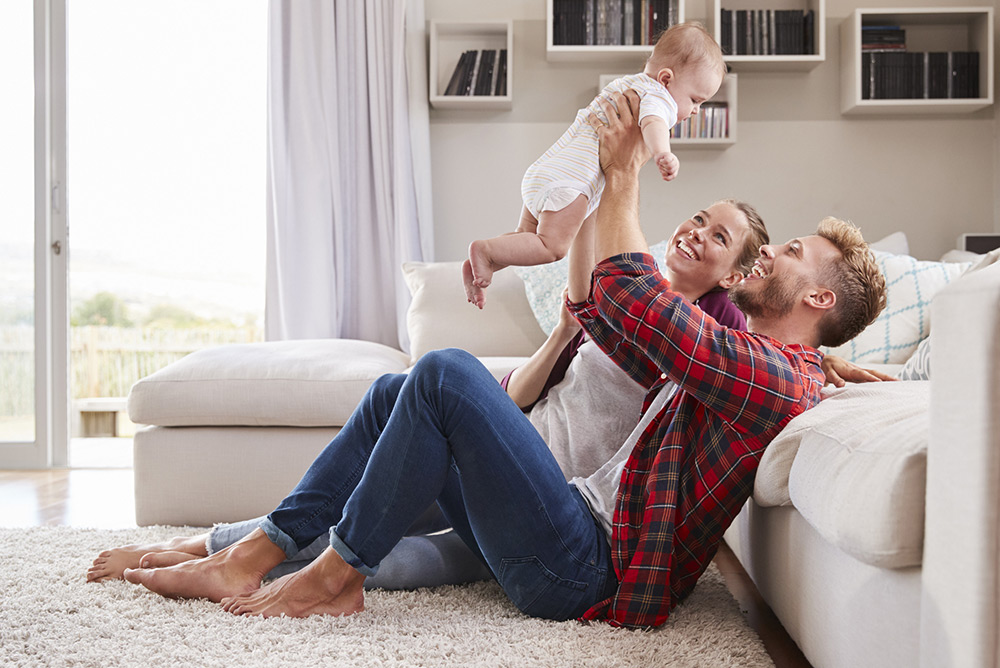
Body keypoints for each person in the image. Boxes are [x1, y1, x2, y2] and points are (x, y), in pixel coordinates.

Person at [108, 89, 887, 628]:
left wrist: (622, 173)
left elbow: (649, 315)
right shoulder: (767, 364)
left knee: (447, 371)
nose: (772, 257)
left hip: (585, 571)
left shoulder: (777, 376)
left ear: (818, 301)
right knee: (400, 387)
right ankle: (256, 550)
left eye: (790, 253)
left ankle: (331, 577)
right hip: (561, 519)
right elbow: (614, 313)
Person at [462, 22, 727, 309]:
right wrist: (663, 153)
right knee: (552, 247)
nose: (695, 110)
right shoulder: (657, 97)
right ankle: (486, 250)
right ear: (666, 79)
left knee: (526, 238)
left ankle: (480, 263)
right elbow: (654, 122)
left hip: (547, 170)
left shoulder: (626, 84)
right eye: (695, 100)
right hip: (570, 184)